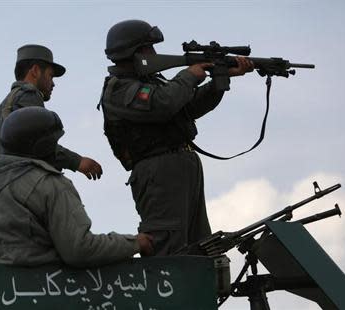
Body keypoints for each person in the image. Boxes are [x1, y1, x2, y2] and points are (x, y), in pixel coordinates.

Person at [99, 20, 254, 255]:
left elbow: (187, 108)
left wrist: (219, 81)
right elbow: (164, 103)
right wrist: (189, 76)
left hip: (181, 167)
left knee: (200, 248)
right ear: (133, 53)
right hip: (158, 173)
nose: (154, 54)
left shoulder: (152, 82)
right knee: (168, 248)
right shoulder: (119, 88)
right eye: (148, 49)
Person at [0, 107, 154, 267]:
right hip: (45, 289)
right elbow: (79, 249)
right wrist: (135, 243)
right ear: (43, 146)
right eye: (53, 142)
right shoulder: (50, 185)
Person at [0, 44, 102, 180]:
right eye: (51, 76)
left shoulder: (1, 108)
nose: (53, 83)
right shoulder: (29, 95)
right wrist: (77, 161)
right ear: (36, 71)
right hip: (27, 180)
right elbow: (40, 144)